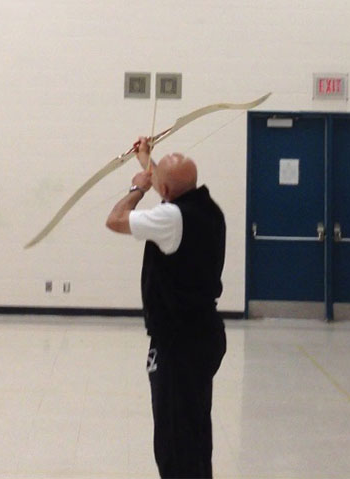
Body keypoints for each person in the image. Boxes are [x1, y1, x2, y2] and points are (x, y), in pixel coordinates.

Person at [106, 138, 226, 479]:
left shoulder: (172, 217)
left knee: (176, 440)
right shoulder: (207, 208)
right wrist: (146, 157)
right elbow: (167, 183)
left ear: (166, 190)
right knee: (195, 429)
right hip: (204, 334)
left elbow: (115, 220)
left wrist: (135, 188)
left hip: (179, 341)